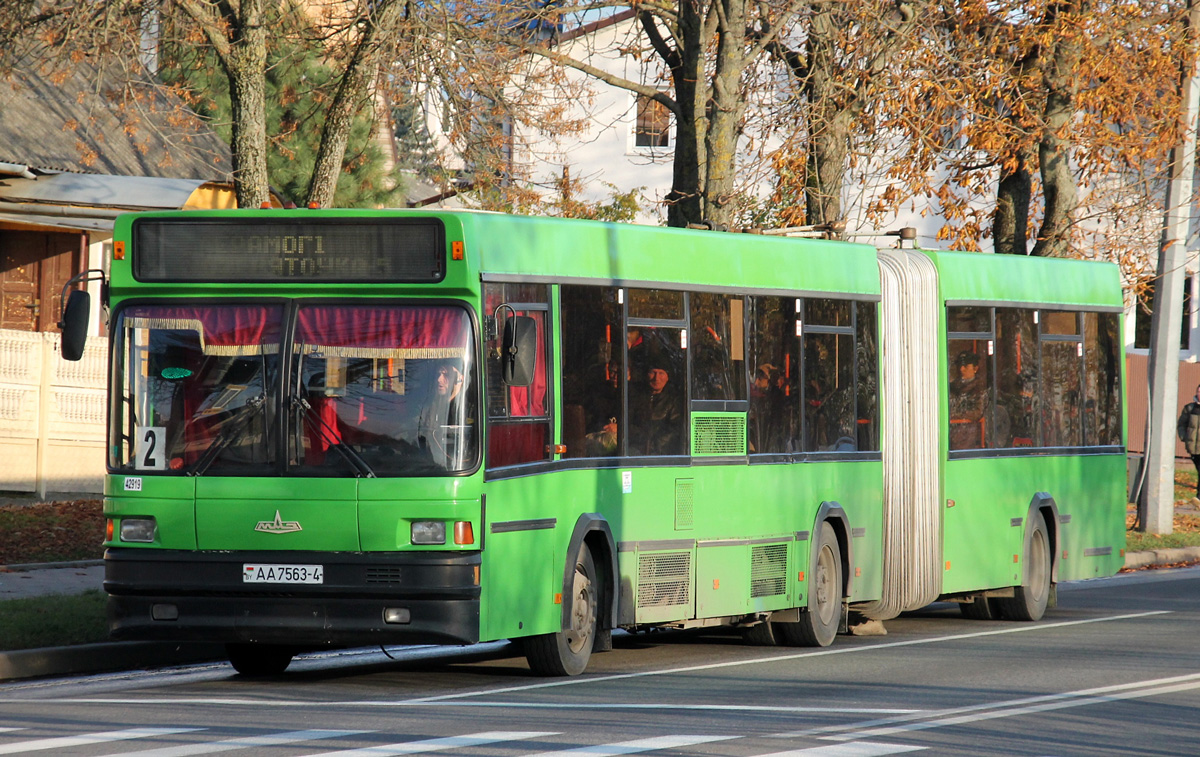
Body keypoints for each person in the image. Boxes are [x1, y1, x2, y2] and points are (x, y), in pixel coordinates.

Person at [628, 360, 684, 455]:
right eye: (653, 373)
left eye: (661, 373)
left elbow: (675, 429)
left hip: (661, 452)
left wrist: (653, 445)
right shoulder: (635, 395)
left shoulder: (674, 399)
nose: (656, 378)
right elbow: (628, 422)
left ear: (667, 377)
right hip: (635, 448)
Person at [418, 361, 468, 467]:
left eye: (446, 374)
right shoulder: (430, 404)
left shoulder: (468, 407)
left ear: (459, 379)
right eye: (438, 374)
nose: (439, 380)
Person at [949, 350, 987, 449]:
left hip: (968, 434)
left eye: (966, 366)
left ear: (975, 368)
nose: (961, 369)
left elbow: (978, 412)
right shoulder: (952, 386)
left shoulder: (980, 389)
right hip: (951, 431)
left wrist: (956, 416)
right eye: (959, 366)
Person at [1177, 384, 1200, 504]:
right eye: (1199, 392)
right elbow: (1181, 424)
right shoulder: (1190, 408)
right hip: (1193, 448)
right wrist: (1184, 438)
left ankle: (1199, 498)